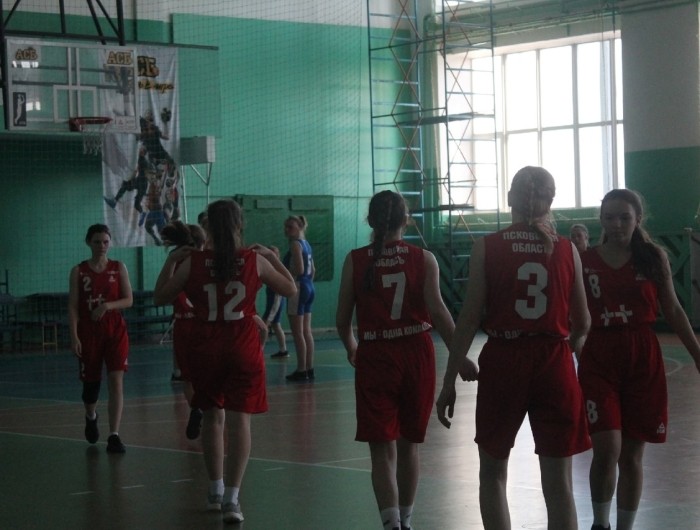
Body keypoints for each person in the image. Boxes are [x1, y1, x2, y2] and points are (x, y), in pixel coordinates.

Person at [435, 166, 591, 530]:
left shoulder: (487, 247)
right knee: (560, 485)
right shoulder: (568, 249)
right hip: (554, 360)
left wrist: (448, 381)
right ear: (551, 201)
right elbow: (583, 322)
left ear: (509, 198)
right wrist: (562, 349)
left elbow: (469, 319)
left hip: (504, 359)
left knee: (492, 474)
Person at [153, 199, 296, 524]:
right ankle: (232, 498)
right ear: (239, 225)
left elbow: (161, 296)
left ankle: (215, 490)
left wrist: (171, 261)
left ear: (207, 227)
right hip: (242, 345)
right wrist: (274, 257)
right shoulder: (254, 260)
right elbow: (290, 289)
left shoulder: (193, 262)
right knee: (239, 421)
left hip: (206, 346)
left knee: (212, 419)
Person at [577, 189, 700, 530]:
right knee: (607, 449)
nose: (616, 224)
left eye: (624, 217)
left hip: (642, 356)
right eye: (609, 217)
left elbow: (673, 309)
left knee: (632, 455)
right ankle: (600, 524)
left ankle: (625, 526)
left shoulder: (653, 258)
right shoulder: (584, 261)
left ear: (638, 219)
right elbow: (571, 312)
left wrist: (696, 352)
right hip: (600, 355)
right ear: (601, 220)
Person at [336, 190, 456, 530]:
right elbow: (439, 312)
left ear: (370, 221)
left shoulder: (356, 260)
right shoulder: (423, 258)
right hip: (416, 353)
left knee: (381, 450)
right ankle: (407, 519)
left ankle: (391, 523)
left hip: (375, 354)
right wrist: (460, 356)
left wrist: (351, 346)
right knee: (409, 446)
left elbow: (343, 319)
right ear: (407, 220)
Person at [68, 223, 134, 454]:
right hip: (89, 331)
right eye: (97, 242)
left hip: (115, 329)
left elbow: (129, 300)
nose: (102, 246)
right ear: (89, 242)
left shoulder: (118, 267)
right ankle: (91, 415)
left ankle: (114, 434)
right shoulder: (79, 271)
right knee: (91, 386)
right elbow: (73, 306)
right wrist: (74, 335)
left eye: (106, 242)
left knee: (116, 380)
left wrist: (107, 306)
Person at [159, 220, 207, 440]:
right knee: (209, 375)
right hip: (204, 324)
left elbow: (161, 295)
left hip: (182, 324)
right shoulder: (205, 263)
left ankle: (196, 408)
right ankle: (208, 410)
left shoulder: (176, 263)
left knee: (187, 378)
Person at [283, 215, 316, 381]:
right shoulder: (306, 244)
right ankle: (309, 368)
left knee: (298, 332)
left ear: (300, 227)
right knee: (306, 331)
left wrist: (284, 275)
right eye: (286, 227)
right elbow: (313, 270)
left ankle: (302, 369)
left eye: (290, 227)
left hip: (298, 286)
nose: (286, 230)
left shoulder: (295, 244)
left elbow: (299, 269)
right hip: (309, 286)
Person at [260, 246, 289, 358]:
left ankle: (260, 350)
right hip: (275, 298)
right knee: (276, 324)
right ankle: (283, 350)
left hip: (276, 298)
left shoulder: (277, 268)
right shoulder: (271, 266)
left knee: (264, 324)